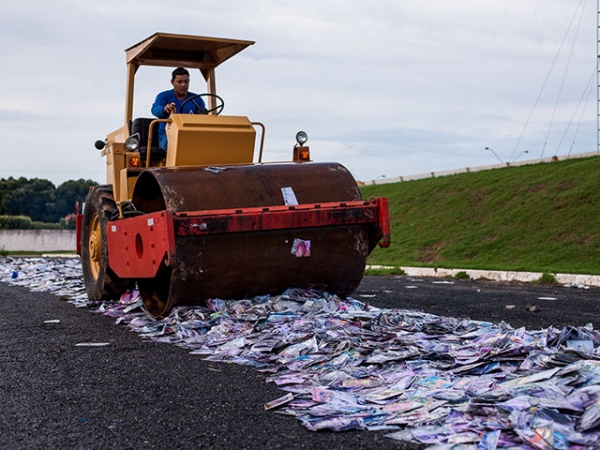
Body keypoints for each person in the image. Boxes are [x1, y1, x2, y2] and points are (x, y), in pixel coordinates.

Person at [151, 67, 206, 151]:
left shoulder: (197, 99)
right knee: (173, 146)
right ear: (172, 82)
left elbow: (203, 116)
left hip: (190, 134)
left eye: (186, 81)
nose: (183, 85)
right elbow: (155, 109)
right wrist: (164, 109)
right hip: (168, 134)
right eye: (179, 82)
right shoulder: (164, 96)